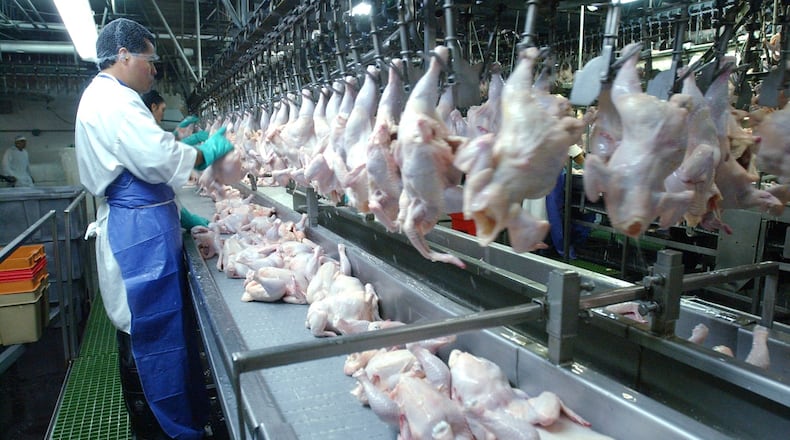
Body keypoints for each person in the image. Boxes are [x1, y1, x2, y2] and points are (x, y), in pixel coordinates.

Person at [74, 18, 234, 440]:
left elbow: (146, 172)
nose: (154, 69)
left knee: (161, 332)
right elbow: (156, 159)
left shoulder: (112, 98)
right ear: (124, 55)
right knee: (151, 335)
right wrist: (206, 152)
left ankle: (176, 421)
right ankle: (162, 430)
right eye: (150, 59)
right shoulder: (115, 101)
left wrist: (177, 213)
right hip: (138, 236)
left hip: (146, 222)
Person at [141, 89, 210, 231]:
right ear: (153, 107)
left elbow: (164, 149)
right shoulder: (143, 134)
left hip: (148, 213)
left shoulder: (146, 132)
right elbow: (163, 155)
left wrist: (177, 136)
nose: (163, 114)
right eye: (162, 109)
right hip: (147, 218)